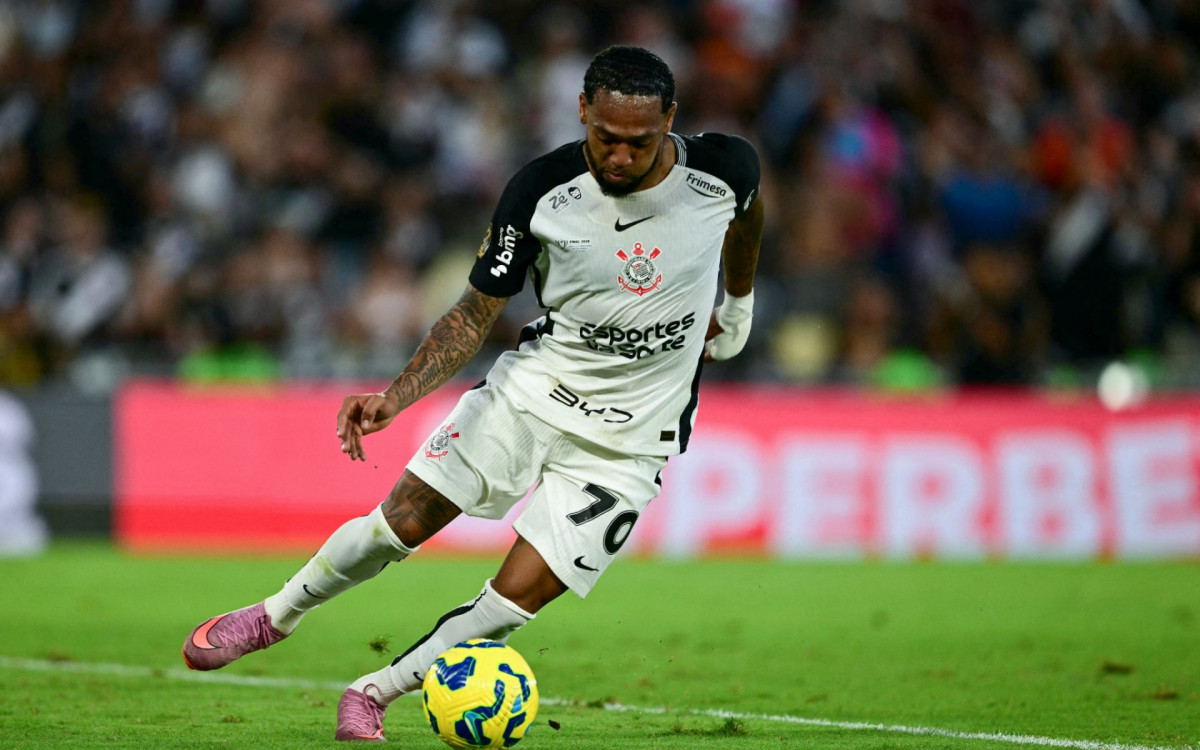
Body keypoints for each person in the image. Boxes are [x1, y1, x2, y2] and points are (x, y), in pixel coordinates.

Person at [181, 44, 762, 742]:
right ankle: (274, 615)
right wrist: (398, 395)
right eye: (604, 138)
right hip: (537, 388)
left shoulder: (725, 169)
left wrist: (739, 298)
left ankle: (373, 691)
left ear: (671, 120)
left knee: (521, 598)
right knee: (404, 520)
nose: (618, 156)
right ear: (582, 112)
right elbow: (473, 312)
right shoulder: (539, 190)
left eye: (638, 143)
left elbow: (745, 217)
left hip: (634, 437)